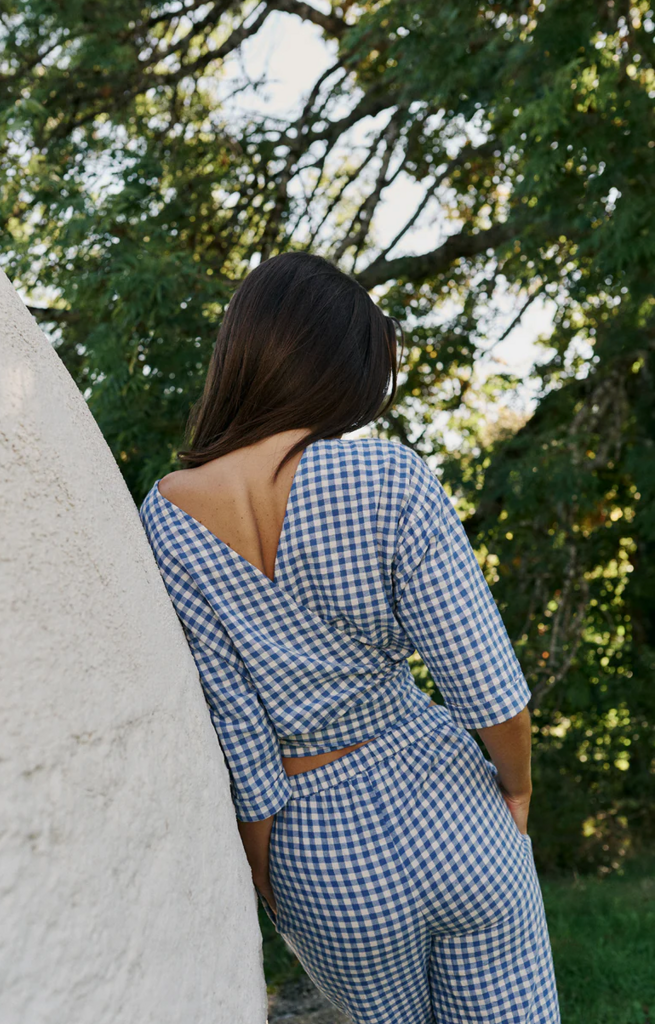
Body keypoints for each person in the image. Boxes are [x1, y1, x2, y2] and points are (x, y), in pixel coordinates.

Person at [138, 251, 560, 1023]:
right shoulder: (388, 477)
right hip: (450, 803)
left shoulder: (167, 519)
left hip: (320, 857)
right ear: (340, 370)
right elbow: (488, 688)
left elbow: (240, 738)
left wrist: (270, 882)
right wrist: (518, 790)